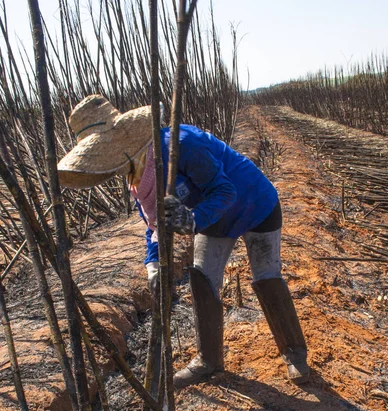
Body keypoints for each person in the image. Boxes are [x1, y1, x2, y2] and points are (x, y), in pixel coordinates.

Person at [58, 95, 309, 389]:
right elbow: (154, 226)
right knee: (202, 278)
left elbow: (224, 191)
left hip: (255, 205)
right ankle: (208, 361)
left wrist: (191, 220)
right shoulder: (138, 178)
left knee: (266, 275)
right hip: (213, 222)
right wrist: (153, 264)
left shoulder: (181, 144)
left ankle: (295, 353)